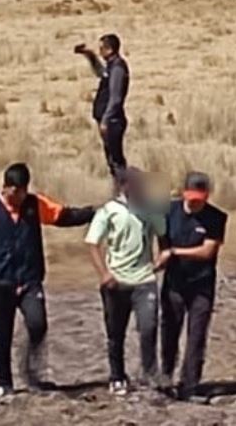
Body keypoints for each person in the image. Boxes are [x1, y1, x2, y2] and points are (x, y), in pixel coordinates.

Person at [0, 162, 95, 397]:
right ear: (8, 188)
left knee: (38, 323)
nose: (20, 197)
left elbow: (63, 215)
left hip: (30, 279)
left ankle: (30, 365)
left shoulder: (34, 204)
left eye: (23, 192)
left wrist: (92, 212)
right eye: (16, 192)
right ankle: (4, 381)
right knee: (2, 334)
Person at [85, 167, 163, 396]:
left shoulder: (150, 210)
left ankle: (149, 374)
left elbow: (163, 236)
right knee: (115, 333)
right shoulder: (109, 211)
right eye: (136, 184)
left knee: (149, 327)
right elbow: (92, 244)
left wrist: (162, 257)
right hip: (116, 282)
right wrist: (104, 274)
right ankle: (117, 376)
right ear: (124, 186)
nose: (140, 188)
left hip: (144, 280)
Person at [160, 171, 228, 401]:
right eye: (191, 197)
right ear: (183, 192)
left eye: (200, 197)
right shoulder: (169, 211)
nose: (195, 201)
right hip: (174, 284)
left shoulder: (216, 217)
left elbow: (208, 251)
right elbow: (161, 241)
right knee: (169, 331)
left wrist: (175, 252)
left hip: (201, 285)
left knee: (196, 335)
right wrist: (160, 258)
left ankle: (190, 385)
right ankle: (165, 378)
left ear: (207, 196)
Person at [74, 35, 130, 176]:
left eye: (101, 48)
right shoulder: (112, 66)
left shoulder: (118, 68)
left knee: (116, 162)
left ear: (110, 49)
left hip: (113, 121)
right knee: (111, 161)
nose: (100, 51)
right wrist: (89, 56)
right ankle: (120, 190)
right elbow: (101, 72)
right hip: (109, 121)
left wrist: (106, 120)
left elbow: (116, 98)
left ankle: (124, 192)